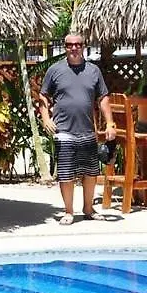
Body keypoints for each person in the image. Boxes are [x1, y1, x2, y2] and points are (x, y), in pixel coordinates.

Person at [39, 33, 117, 225]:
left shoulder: (93, 71)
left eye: (78, 44)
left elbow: (103, 98)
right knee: (66, 174)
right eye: (69, 45)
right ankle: (68, 211)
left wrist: (110, 123)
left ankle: (88, 209)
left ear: (84, 46)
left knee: (91, 173)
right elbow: (43, 96)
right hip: (63, 131)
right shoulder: (55, 70)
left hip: (87, 130)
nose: (74, 48)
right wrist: (46, 118)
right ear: (65, 47)